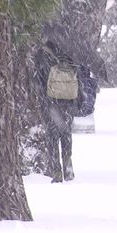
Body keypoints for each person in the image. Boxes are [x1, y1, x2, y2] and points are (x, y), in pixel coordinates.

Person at [34, 40, 88, 183]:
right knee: (66, 135)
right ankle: (68, 169)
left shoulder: (43, 54)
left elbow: (38, 78)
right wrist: (80, 99)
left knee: (52, 137)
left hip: (51, 100)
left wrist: (40, 95)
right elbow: (79, 77)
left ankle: (56, 171)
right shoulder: (70, 52)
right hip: (68, 101)